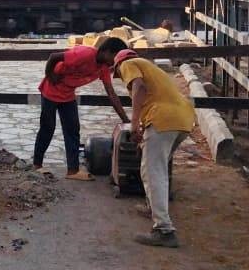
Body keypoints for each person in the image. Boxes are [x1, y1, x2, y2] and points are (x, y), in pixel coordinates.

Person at [103, 37, 196, 248]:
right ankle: (154, 208)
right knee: (158, 170)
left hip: (163, 119)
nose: (119, 77)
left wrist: (134, 123)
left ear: (116, 62)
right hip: (182, 118)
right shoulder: (150, 66)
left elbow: (139, 87)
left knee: (152, 172)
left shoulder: (127, 63)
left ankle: (164, 230)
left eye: (116, 73)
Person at [34, 38, 130, 180]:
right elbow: (54, 57)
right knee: (48, 128)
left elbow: (111, 93)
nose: (116, 61)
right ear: (107, 52)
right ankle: (37, 165)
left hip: (67, 95)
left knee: (73, 130)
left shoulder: (103, 68)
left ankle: (73, 170)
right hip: (50, 91)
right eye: (115, 57)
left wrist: (126, 120)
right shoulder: (85, 54)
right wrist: (50, 75)